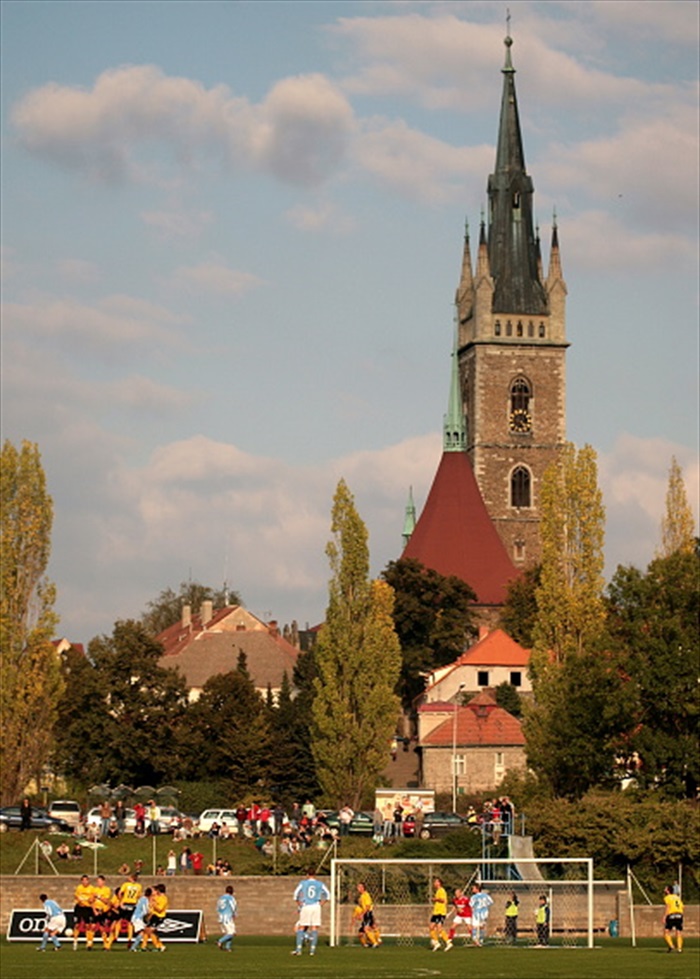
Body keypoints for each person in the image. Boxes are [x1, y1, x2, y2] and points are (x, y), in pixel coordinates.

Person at [291, 868, 330, 956]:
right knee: (314, 927)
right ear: (315, 875)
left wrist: (299, 903)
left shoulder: (303, 883)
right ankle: (312, 951)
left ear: (307, 875)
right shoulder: (320, 884)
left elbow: (295, 894)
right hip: (316, 906)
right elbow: (328, 894)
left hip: (306, 906)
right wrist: (321, 903)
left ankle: (299, 950)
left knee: (301, 927)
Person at [115, 872, 143, 946]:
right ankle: (129, 938)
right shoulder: (139, 886)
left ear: (131, 878)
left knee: (119, 920)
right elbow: (139, 896)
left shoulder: (126, 885)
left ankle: (116, 936)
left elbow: (120, 893)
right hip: (133, 904)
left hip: (125, 903)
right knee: (130, 922)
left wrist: (120, 901)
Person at [353, 882, 381, 947]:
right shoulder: (361, 896)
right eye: (357, 887)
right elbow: (361, 907)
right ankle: (367, 943)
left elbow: (368, 907)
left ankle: (375, 942)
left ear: (363, 888)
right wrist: (357, 914)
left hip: (367, 913)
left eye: (359, 887)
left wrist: (362, 914)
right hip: (367, 914)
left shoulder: (366, 895)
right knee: (361, 932)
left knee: (366, 929)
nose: (358, 888)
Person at [72, 874, 95, 950]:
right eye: (83, 880)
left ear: (88, 881)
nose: (85, 882)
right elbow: (76, 897)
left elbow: (92, 899)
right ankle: (75, 942)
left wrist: (88, 900)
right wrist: (81, 901)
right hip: (79, 908)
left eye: (86, 880)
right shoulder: (79, 888)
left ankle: (88, 942)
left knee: (88, 925)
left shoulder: (92, 888)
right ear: (81, 881)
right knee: (77, 925)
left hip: (87, 908)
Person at [142, 882, 167, 951]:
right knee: (146, 930)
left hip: (159, 917)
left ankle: (160, 946)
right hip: (154, 916)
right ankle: (144, 946)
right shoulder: (157, 897)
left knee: (151, 931)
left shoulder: (164, 899)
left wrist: (154, 904)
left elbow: (160, 909)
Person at [429, 877, 450, 951]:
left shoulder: (442, 890)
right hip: (436, 912)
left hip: (440, 912)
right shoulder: (438, 891)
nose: (434, 883)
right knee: (431, 927)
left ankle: (447, 942)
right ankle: (436, 942)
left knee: (439, 928)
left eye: (436, 882)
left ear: (439, 883)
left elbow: (443, 900)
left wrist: (435, 899)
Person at [216, 883, 237, 952]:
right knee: (232, 933)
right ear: (232, 892)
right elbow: (233, 906)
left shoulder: (221, 898)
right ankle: (220, 941)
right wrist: (234, 914)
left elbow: (217, 908)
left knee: (228, 933)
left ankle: (228, 947)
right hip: (227, 917)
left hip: (221, 918)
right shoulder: (230, 898)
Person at [663, 885, 684, 953]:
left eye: (665, 889)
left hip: (672, 915)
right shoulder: (677, 897)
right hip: (679, 914)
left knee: (666, 931)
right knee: (678, 932)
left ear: (668, 891)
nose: (664, 890)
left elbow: (668, 907)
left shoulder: (667, 898)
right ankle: (679, 948)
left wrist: (665, 916)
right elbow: (682, 906)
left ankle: (671, 946)